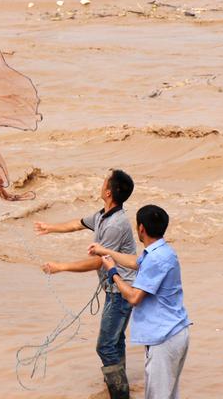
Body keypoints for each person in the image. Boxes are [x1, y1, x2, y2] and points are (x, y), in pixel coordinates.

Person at [34, 169, 136, 399]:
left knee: (105, 346)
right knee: (115, 341)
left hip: (121, 291)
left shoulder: (115, 224)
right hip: (115, 289)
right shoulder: (103, 215)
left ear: (108, 192)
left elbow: (98, 262)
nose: (101, 184)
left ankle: (120, 394)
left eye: (104, 182)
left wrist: (60, 267)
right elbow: (77, 224)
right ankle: (119, 388)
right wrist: (50, 228)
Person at [88, 205, 191, 399]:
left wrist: (113, 272)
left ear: (141, 228)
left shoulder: (156, 259)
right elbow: (134, 262)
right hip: (175, 332)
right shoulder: (163, 251)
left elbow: (134, 297)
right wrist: (104, 250)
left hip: (164, 338)